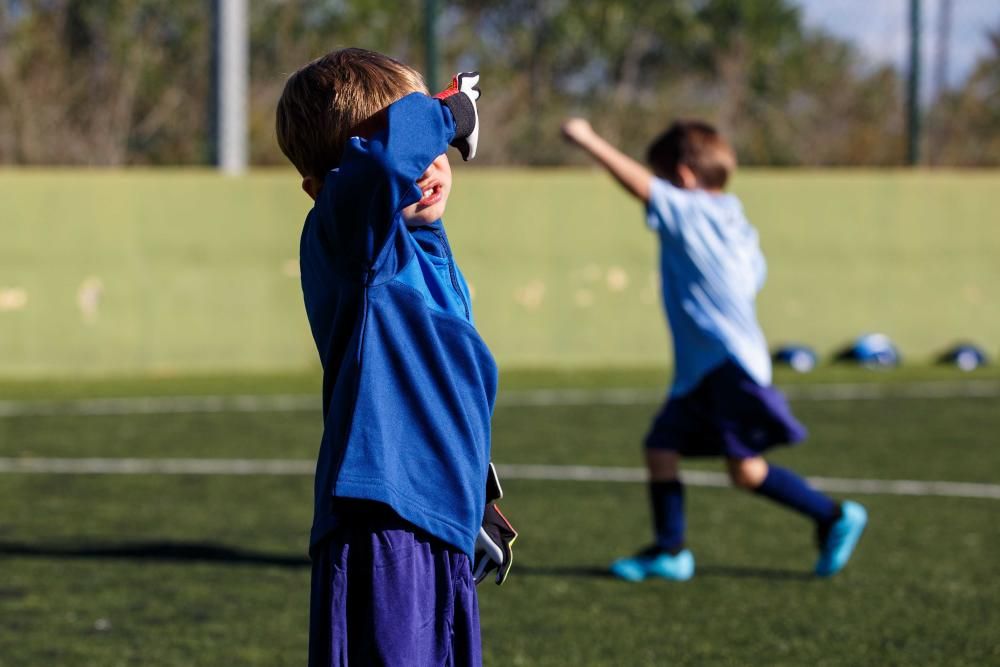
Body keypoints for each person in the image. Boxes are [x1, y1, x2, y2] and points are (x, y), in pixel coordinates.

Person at [276, 48, 515, 666]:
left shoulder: (430, 255)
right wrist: (449, 110)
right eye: (413, 139)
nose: (426, 163)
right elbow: (382, 164)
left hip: (440, 523)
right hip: (382, 524)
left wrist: (477, 497)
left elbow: (446, 389)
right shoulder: (358, 249)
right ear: (323, 189)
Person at [561, 117, 866, 582]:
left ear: (682, 177)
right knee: (668, 449)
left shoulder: (694, 213)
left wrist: (587, 139)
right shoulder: (738, 225)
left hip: (727, 368)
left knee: (740, 468)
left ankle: (833, 517)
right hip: (710, 370)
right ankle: (671, 552)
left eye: (667, 179)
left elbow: (645, 189)